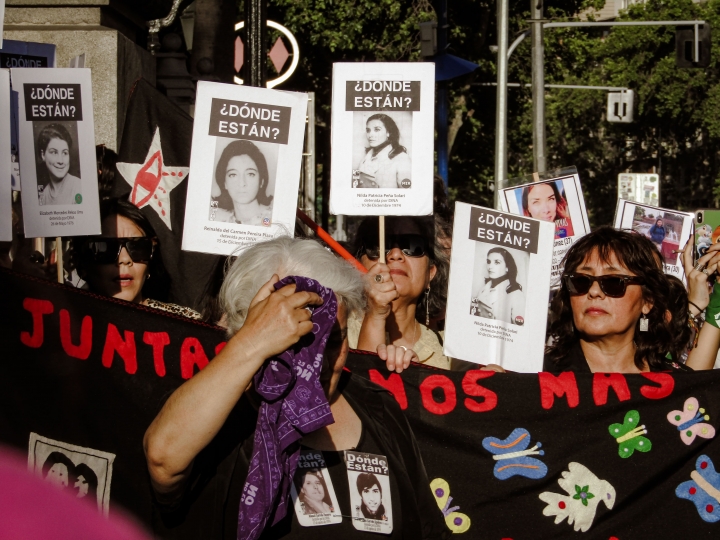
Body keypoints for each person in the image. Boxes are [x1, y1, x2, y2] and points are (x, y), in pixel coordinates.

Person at [143, 237, 449, 539]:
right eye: (302, 344)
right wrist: (249, 343)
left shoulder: (376, 407)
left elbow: (428, 529)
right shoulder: (219, 414)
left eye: (334, 340)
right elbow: (162, 459)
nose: (322, 362)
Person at [544, 227, 692, 373]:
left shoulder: (678, 383)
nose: (594, 292)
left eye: (613, 282)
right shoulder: (538, 377)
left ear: (647, 301)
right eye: (580, 281)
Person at [72, 198, 200, 319]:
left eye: (138, 247)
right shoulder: (63, 325)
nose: (125, 259)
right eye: (107, 249)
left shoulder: (186, 324)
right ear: (82, 264)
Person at [351, 216, 451, 370]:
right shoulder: (334, 332)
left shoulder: (451, 352)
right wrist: (375, 315)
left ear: (430, 273)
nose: (395, 254)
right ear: (357, 265)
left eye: (413, 246)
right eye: (378, 245)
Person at [210, 140, 273, 225]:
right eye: (233, 175)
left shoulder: (274, 220)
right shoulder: (216, 222)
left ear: (261, 181)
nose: (242, 183)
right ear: (224, 183)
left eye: (250, 174)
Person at [354, 114, 411, 189]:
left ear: (388, 133)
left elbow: (407, 195)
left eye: (377, 130)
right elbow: (355, 186)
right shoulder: (366, 157)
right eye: (368, 130)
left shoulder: (402, 158)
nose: (370, 135)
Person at [471, 247, 525, 325]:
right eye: (489, 262)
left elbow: (518, 331)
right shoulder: (483, 289)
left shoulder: (516, 294)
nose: (490, 267)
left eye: (497, 262)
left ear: (507, 267)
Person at [36, 123, 82, 206]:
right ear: (43, 155)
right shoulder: (43, 196)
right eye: (54, 152)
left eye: (64, 153)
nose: (60, 161)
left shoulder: (78, 187)